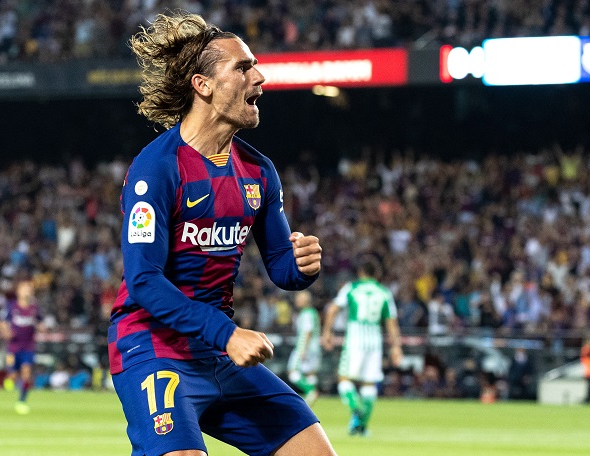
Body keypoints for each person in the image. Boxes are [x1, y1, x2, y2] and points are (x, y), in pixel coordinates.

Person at [108, 12, 335, 456]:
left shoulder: (258, 171)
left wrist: (302, 265)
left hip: (217, 350)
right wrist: (226, 333)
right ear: (203, 85)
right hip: (153, 345)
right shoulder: (157, 168)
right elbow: (144, 280)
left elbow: (282, 269)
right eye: (243, 67)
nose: (260, 77)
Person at [322, 261, 402, 436]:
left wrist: (327, 332)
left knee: (344, 378)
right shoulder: (384, 292)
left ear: (360, 272)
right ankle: (361, 426)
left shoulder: (352, 288)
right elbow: (391, 322)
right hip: (374, 341)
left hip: (355, 339)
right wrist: (396, 347)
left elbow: (332, 309)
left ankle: (356, 408)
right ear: (377, 273)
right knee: (369, 383)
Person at [0, 279, 44, 414]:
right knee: (12, 375)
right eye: (25, 289)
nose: (27, 291)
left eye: (30, 289)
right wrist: (6, 332)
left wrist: (42, 328)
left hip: (28, 347)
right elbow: (1, 322)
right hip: (13, 347)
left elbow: (41, 323)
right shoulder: (11, 306)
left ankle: (22, 401)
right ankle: (10, 378)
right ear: (18, 291)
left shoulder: (34, 308)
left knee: (26, 373)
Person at [287, 290, 322, 406]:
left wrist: (303, 350)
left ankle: (311, 391)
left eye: (299, 299)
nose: (296, 301)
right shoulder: (313, 312)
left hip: (304, 347)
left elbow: (308, 331)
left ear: (306, 300)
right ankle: (311, 398)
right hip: (315, 348)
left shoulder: (307, 313)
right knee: (310, 373)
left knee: (292, 371)